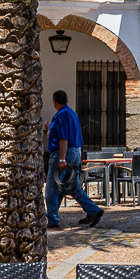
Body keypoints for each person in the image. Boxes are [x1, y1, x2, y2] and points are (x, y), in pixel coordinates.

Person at [45, 89, 103, 230]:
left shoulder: (61, 115)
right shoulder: (72, 113)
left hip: (63, 153)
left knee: (52, 187)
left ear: (54, 101)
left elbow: (63, 138)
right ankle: (93, 211)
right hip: (76, 152)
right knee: (72, 187)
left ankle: (52, 219)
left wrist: (61, 159)